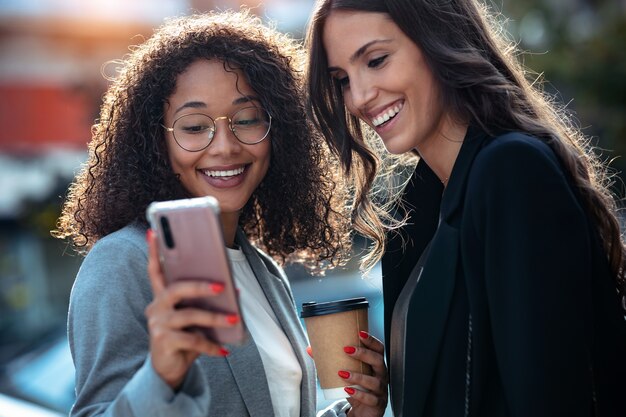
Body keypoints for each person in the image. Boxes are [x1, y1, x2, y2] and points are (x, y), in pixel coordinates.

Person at [53, 10, 389, 417]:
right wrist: (161, 377)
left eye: (247, 119)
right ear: (155, 142)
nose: (225, 147)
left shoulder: (262, 269)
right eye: (194, 127)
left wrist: (355, 413)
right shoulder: (123, 262)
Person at [304, 0, 626, 416]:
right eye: (342, 79)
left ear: (437, 39)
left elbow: (553, 396)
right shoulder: (418, 209)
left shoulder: (510, 171)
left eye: (377, 60)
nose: (360, 96)